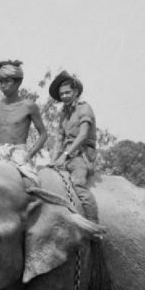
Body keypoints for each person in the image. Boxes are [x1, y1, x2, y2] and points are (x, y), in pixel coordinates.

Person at [49, 70, 99, 223]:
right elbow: (59, 139)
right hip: (67, 153)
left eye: (67, 92)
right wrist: (53, 160)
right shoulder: (64, 113)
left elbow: (83, 135)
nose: (64, 96)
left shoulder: (84, 108)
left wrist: (65, 155)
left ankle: (93, 223)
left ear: (76, 91)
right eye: (61, 94)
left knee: (78, 184)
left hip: (81, 154)